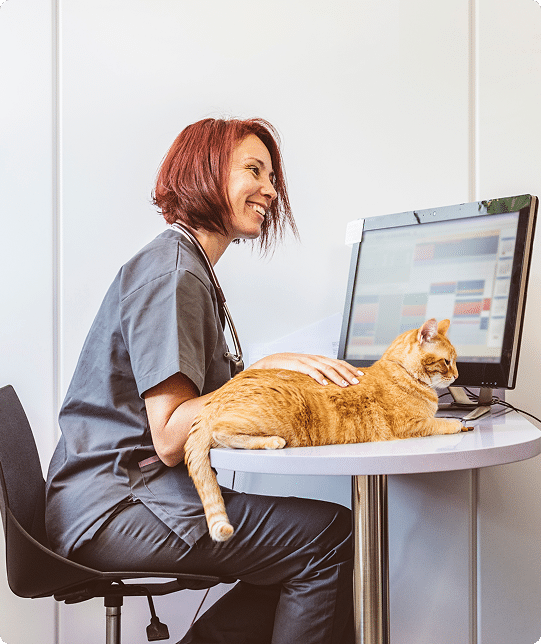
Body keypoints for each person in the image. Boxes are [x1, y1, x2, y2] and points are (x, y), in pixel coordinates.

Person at [45, 117, 361, 644]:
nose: (270, 189)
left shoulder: (186, 264)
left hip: (112, 494)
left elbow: (204, 401)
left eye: (272, 175)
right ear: (207, 173)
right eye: (253, 170)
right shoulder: (175, 272)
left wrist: (272, 374)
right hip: (113, 503)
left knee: (310, 544)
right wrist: (262, 373)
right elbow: (170, 435)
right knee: (329, 539)